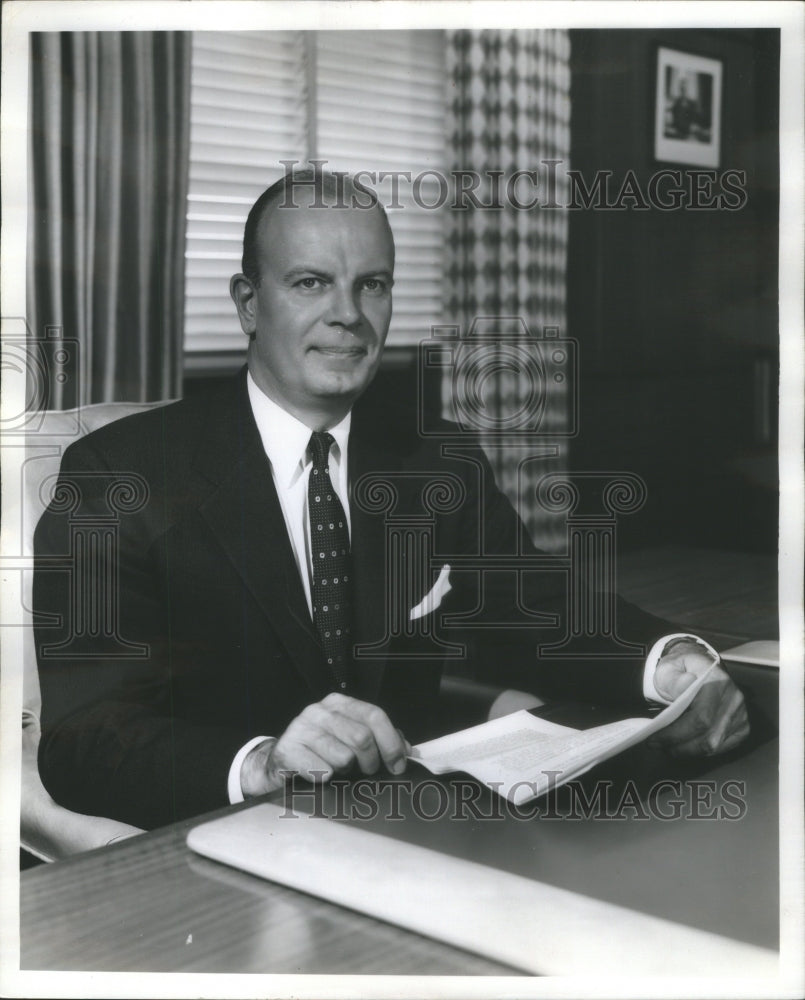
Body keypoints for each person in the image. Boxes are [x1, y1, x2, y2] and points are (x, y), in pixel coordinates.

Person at [34, 171, 749, 830]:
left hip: (406, 818)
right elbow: (82, 739)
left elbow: (537, 606)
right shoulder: (117, 475)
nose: (348, 314)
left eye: (371, 284)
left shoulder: (435, 456)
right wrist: (260, 762)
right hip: (220, 836)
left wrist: (668, 660)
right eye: (311, 283)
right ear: (248, 302)